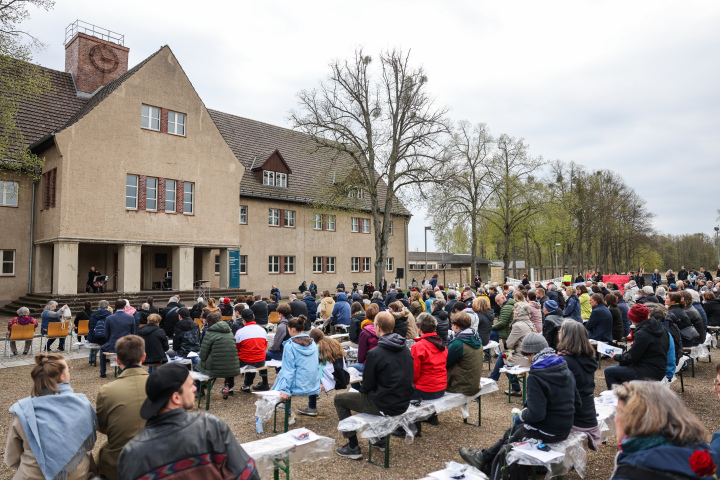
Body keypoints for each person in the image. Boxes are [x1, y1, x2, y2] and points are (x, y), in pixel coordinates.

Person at [459, 333, 581, 476]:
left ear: (533, 353)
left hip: (548, 431)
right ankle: (483, 459)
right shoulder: (564, 368)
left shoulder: (537, 376)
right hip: (565, 428)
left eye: (528, 356)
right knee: (514, 431)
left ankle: (487, 464)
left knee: (515, 432)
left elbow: (536, 414)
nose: (528, 360)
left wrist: (522, 414)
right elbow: (577, 403)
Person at [117, 362, 259, 480]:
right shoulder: (209, 427)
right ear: (176, 398)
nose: (195, 388)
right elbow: (247, 474)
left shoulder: (131, 454)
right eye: (190, 385)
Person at [335, 312, 414, 459]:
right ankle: (379, 439)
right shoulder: (405, 348)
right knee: (368, 395)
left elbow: (367, 386)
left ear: (377, 327)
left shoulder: (375, 353)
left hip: (385, 404)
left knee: (339, 399)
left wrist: (362, 388)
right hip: (403, 401)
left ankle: (353, 446)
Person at [5, 352, 97, 480]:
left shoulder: (23, 411)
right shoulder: (82, 405)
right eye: (68, 370)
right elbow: (89, 445)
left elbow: (12, 458)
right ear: (63, 377)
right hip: (77, 475)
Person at [610, 381, 719, 479]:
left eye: (619, 412)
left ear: (635, 420)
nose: (615, 419)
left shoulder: (632, 471)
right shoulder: (703, 456)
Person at [95, 335, 149, 479]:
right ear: (143, 357)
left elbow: (102, 426)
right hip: (157, 460)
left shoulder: (107, 391)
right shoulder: (161, 385)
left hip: (118, 463)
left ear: (118, 360)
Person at [557, 320, 601, 450]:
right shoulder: (587, 357)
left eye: (560, 331)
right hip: (587, 413)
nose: (558, 333)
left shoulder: (565, 361)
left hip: (574, 416)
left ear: (566, 336)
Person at [604, 304, 669, 389]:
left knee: (609, 371)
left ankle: (617, 399)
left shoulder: (642, 333)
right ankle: (625, 395)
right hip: (659, 368)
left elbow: (632, 357)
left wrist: (616, 356)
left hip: (648, 371)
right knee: (620, 368)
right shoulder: (660, 327)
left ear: (632, 318)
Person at [403, 312, 446, 432]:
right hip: (441, 388)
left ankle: (412, 428)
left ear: (420, 328)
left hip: (426, 390)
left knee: (402, 389)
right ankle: (432, 416)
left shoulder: (419, 347)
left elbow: (414, 374)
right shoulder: (442, 344)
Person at [490, 302, 536, 396]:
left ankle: (495, 381)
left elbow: (509, 344)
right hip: (530, 355)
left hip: (524, 357)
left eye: (514, 310)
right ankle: (493, 379)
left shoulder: (518, 325)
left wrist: (514, 343)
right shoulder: (529, 323)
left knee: (503, 359)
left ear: (518, 313)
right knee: (503, 356)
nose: (513, 312)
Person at [300, 329, 348, 416]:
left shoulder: (317, 347)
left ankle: (312, 407)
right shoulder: (332, 342)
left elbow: (315, 365)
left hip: (328, 376)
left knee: (312, 378)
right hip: (340, 373)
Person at [272, 316, 321, 400]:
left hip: (297, 386)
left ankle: (273, 396)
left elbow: (289, 370)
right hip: (313, 384)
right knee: (281, 373)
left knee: (282, 373)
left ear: (293, 329)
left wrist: (284, 389)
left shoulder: (290, 346)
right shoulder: (313, 343)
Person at [229, 309, 267, 394]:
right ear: (253, 317)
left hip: (246, 361)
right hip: (261, 361)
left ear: (243, 320)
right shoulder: (262, 330)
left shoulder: (240, 332)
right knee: (253, 359)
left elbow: (236, 348)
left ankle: (229, 386)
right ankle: (247, 385)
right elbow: (264, 346)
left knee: (231, 362)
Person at [446, 312, 483, 396]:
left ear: (456, 326)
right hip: (474, 384)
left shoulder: (458, 343)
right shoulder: (476, 337)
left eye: (452, 324)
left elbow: (445, 362)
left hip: (460, 386)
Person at [100, 300, 136, 378]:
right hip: (127, 344)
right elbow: (133, 333)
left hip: (114, 344)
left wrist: (110, 341)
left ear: (115, 307)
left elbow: (106, 334)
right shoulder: (131, 317)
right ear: (124, 307)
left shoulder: (109, 318)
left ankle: (103, 371)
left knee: (102, 349)